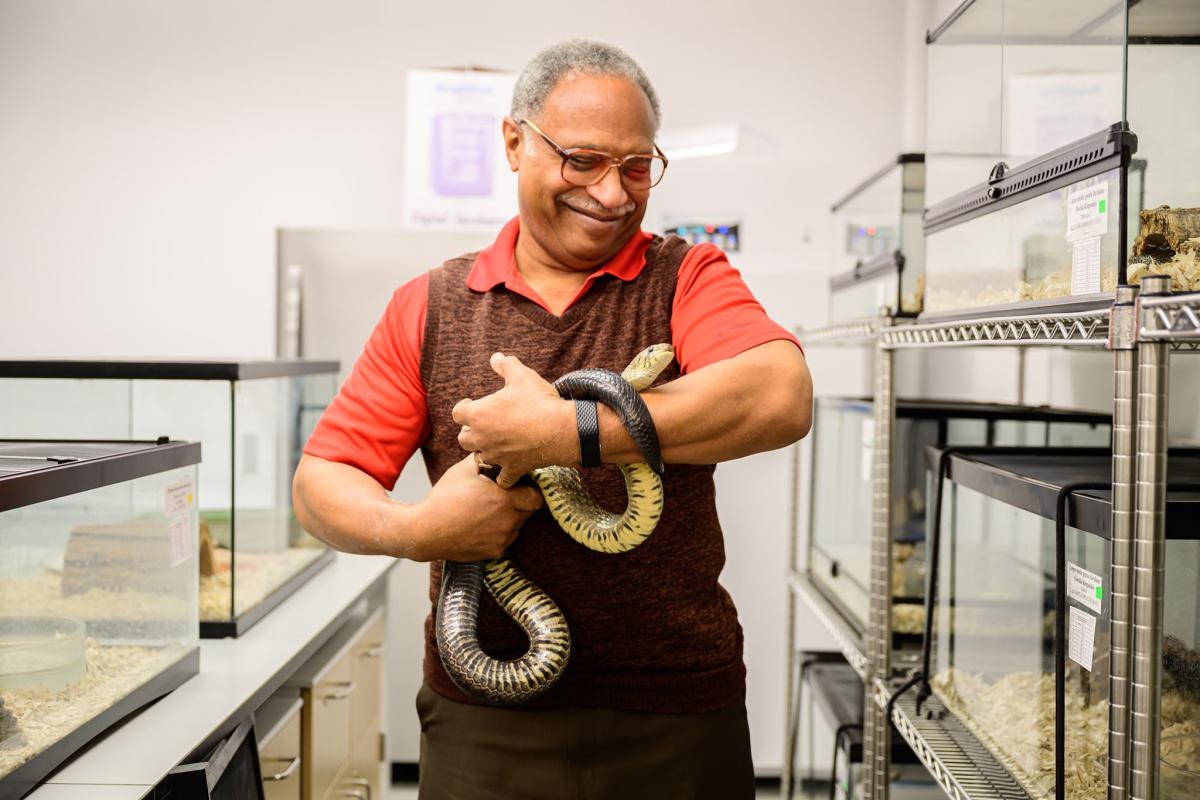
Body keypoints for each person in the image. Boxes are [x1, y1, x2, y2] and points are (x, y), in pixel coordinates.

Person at [294, 38, 812, 800]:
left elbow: (780, 394)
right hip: (484, 726)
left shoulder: (687, 275)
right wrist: (418, 532)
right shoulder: (430, 305)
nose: (613, 194)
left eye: (637, 167)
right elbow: (320, 484)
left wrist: (565, 433)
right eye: (583, 160)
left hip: (677, 717)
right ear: (513, 142)